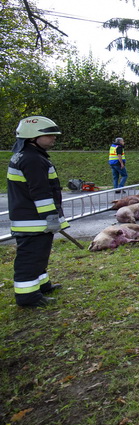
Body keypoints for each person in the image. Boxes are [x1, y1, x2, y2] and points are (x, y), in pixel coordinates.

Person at [7, 116, 69, 307]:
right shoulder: (32, 159)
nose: (54, 138)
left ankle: (42, 285)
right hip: (34, 221)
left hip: (32, 220)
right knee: (30, 258)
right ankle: (27, 297)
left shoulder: (28, 155)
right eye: (49, 135)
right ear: (33, 137)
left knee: (39, 255)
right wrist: (50, 217)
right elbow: (40, 192)